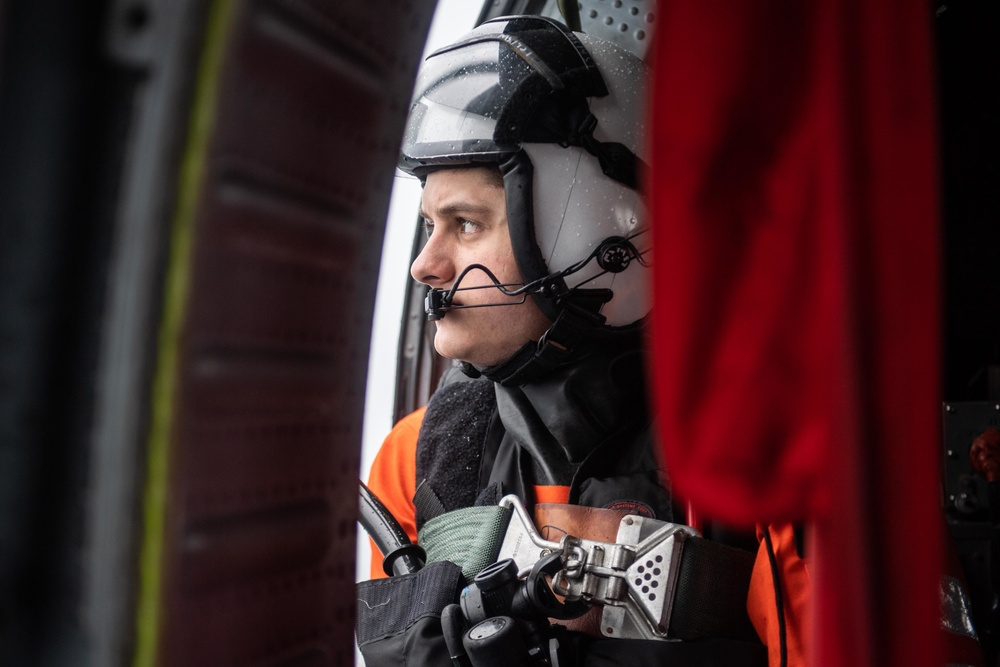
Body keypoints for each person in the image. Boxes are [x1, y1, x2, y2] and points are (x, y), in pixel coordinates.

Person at [356, 15, 766, 667]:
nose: (424, 265)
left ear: (600, 234)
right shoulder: (419, 463)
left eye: (465, 225)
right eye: (428, 224)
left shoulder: (759, 451)